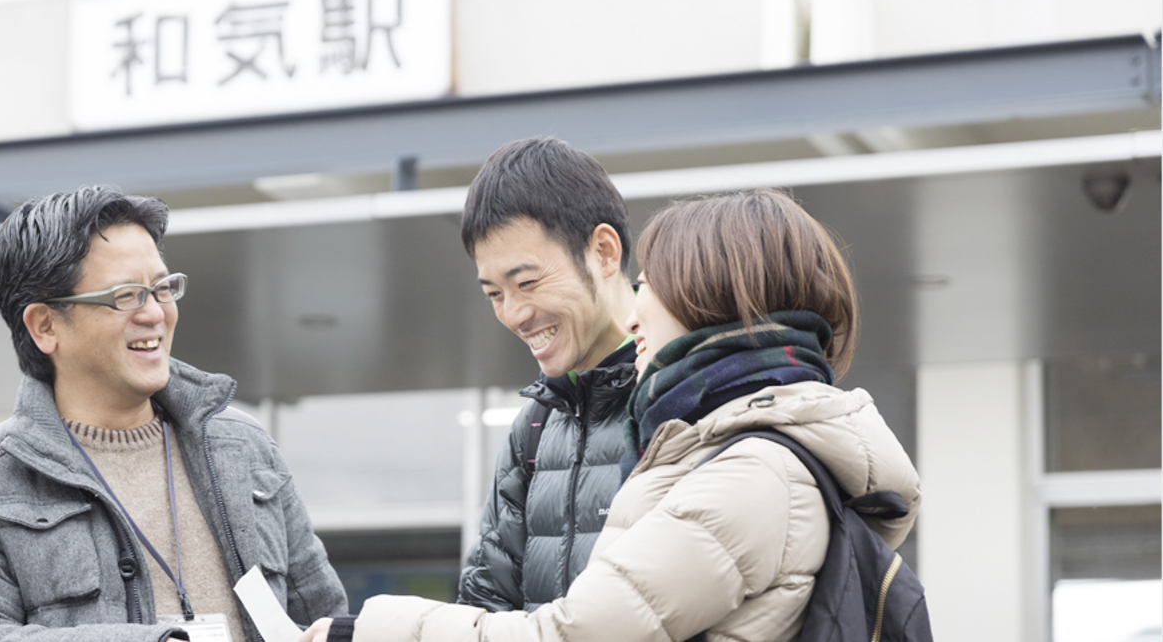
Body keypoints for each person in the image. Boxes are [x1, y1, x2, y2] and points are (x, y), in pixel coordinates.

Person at [302, 188, 921, 642]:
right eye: (494, 293)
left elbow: (574, 634)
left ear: (711, 297)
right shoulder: (716, 445)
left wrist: (370, 628)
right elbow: (494, 598)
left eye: (650, 285)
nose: (633, 314)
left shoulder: (755, 471)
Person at [0, 186, 347, 642]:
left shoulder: (245, 449)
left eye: (162, 288)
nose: (156, 313)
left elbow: (322, 617)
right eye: (126, 295)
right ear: (45, 325)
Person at [457, 137, 639, 612]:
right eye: (494, 294)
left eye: (527, 283)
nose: (514, 315)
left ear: (603, 252)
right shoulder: (534, 428)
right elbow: (483, 607)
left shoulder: (685, 399)